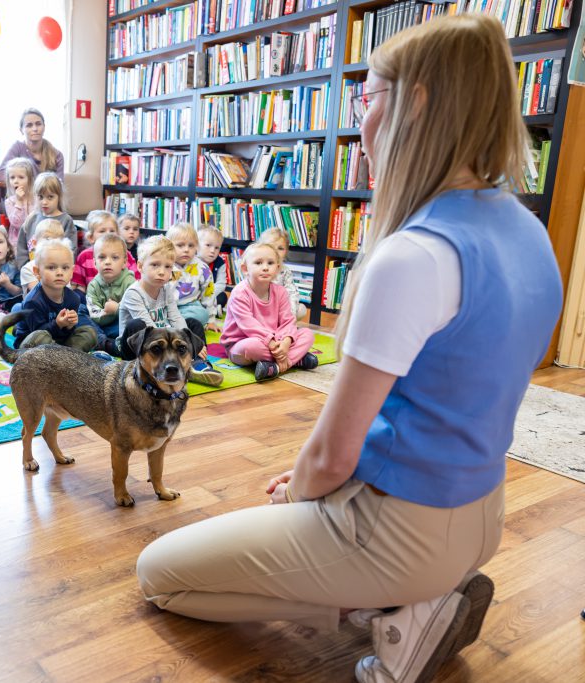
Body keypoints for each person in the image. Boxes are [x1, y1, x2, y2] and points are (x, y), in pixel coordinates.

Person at [135, 15, 563, 683]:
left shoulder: (413, 256)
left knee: (159, 573)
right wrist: (325, 487)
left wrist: (305, 499)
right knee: (301, 503)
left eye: (368, 99)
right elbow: (438, 406)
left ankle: (396, 611)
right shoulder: (530, 232)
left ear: (415, 104)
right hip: (481, 513)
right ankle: (410, 593)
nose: (362, 124)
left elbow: (332, 451)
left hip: (403, 533)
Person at [118, 235, 223, 386]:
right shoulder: (133, 293)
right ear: (140, 266)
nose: (162, 272)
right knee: (137, 325)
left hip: (163, 339)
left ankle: (196, 364)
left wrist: (190, 343)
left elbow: (175, 316)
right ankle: (143, 368)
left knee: (193, 324)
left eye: (167, 267)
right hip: (139, 343)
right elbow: (149, 329)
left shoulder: (166, 289)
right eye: (155, 265)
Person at [220, 242, 317, 381]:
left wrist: (286, 342)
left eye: (270, 263)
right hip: (241, 343)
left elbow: (288, 321)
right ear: (245, 269)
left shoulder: (281, 292)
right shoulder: (239, 293)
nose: (265, 267)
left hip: (276, 341)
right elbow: (249, 326)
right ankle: (294, 360)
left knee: (307, 334)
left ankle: (275, 367)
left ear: (277, 268)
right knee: (252, 346)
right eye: (258, 263)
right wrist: (273, 345)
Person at [12, 238, 97, 353]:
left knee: (89, 332)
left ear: (72, 271)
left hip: (60, 343)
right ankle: (66, 358)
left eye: (65, 268)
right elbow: (37, 333)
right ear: (37, 272)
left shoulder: (73, 299)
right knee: (41, 336)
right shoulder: (33, 301)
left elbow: (68, 334)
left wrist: (69, 326)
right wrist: (57, 324)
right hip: (31, 346)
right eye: (51, 267)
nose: (59, 273)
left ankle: (65, 358)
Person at [86, 233, 136, 357]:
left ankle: (108, 343)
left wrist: (116, 309)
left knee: (134, 326)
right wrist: (106, 313)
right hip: (101, 325)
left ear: (124, 262)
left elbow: (135, 311)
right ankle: (105, 342)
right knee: (81, 312)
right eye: (102, 257)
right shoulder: (93, 285)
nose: (107, 262)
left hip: (121, 325)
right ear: (95, 263)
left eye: (114, 258)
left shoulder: (130, 283)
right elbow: (94, 314)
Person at [15, 172, 77, 269]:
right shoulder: (31, 219)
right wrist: (24, 268)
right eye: (40, 197)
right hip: (31, 271)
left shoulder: (66, 220)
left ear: (59, 197)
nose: (44, 202)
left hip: (57, 272)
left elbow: (71, 250)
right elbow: (21, 248)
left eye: (50, 197)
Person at [167, 223, 218, 331]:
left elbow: (208, 293)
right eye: (180, 245)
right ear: (169, 247)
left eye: (191, 246)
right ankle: (175, 325)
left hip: (189, 306)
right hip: (166, 306)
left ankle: (175, 325)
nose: (186, 250)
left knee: (202, 314)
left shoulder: (202, 268)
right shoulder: (165, 264)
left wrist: (211, 319)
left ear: (196, 247)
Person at [72, 210, 139, 292]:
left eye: (112, 231)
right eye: (102, 231)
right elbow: (79, 284)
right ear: (91, 237)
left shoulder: (125, 254)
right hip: (93, 298)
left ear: (118, 235)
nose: (108, 234)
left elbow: (135, 280)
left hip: (120, 297)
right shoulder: (84, 256)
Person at [0, 108, 65, 184]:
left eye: (38, 124)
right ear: (21, 130)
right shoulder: (17, 148)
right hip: (21, 194)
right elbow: (1, 174)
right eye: (29, 125)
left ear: (44, 127)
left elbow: (59, 184)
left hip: (45, 195)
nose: (35, 129)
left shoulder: (57, 155)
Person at [258, 227, 307, 320]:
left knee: (301, 309)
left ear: (286, 251)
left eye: (280, 248)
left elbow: (292, 293)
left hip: (280, 309)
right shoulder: (258, 268)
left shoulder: (285, 271)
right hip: (260, 308)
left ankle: (283, 325)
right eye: (271, 247)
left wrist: (290, 314)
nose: (276, 252)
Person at [20, 218, 66, 295]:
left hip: (61, 305)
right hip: (36, 305)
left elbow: (67, 293)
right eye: (47, 239)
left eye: (57, 241)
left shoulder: (63, 268)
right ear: (35, 243)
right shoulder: (28, 269)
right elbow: (39, 294)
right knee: (17, 307)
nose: (52, 245)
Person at [3, 157, 37, 246]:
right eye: (12, 177)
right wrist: (19, 202)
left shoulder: (37, 199)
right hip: (17, 243)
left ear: (29, 180)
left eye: (21, 177)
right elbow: (17, 224)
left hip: (36, 241)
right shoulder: (9, 201)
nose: (16, 181)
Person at [197, 225, 228, 314]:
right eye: (208, 245)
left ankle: (213, 307)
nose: (212, 250)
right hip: (194, 295)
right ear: (197, 245)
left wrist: (208, 294)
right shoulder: (192, 261)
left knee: (223, 297)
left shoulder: (220, 262)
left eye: (217, 248)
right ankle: (210, 309)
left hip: (212, 293)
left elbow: (221, 284)